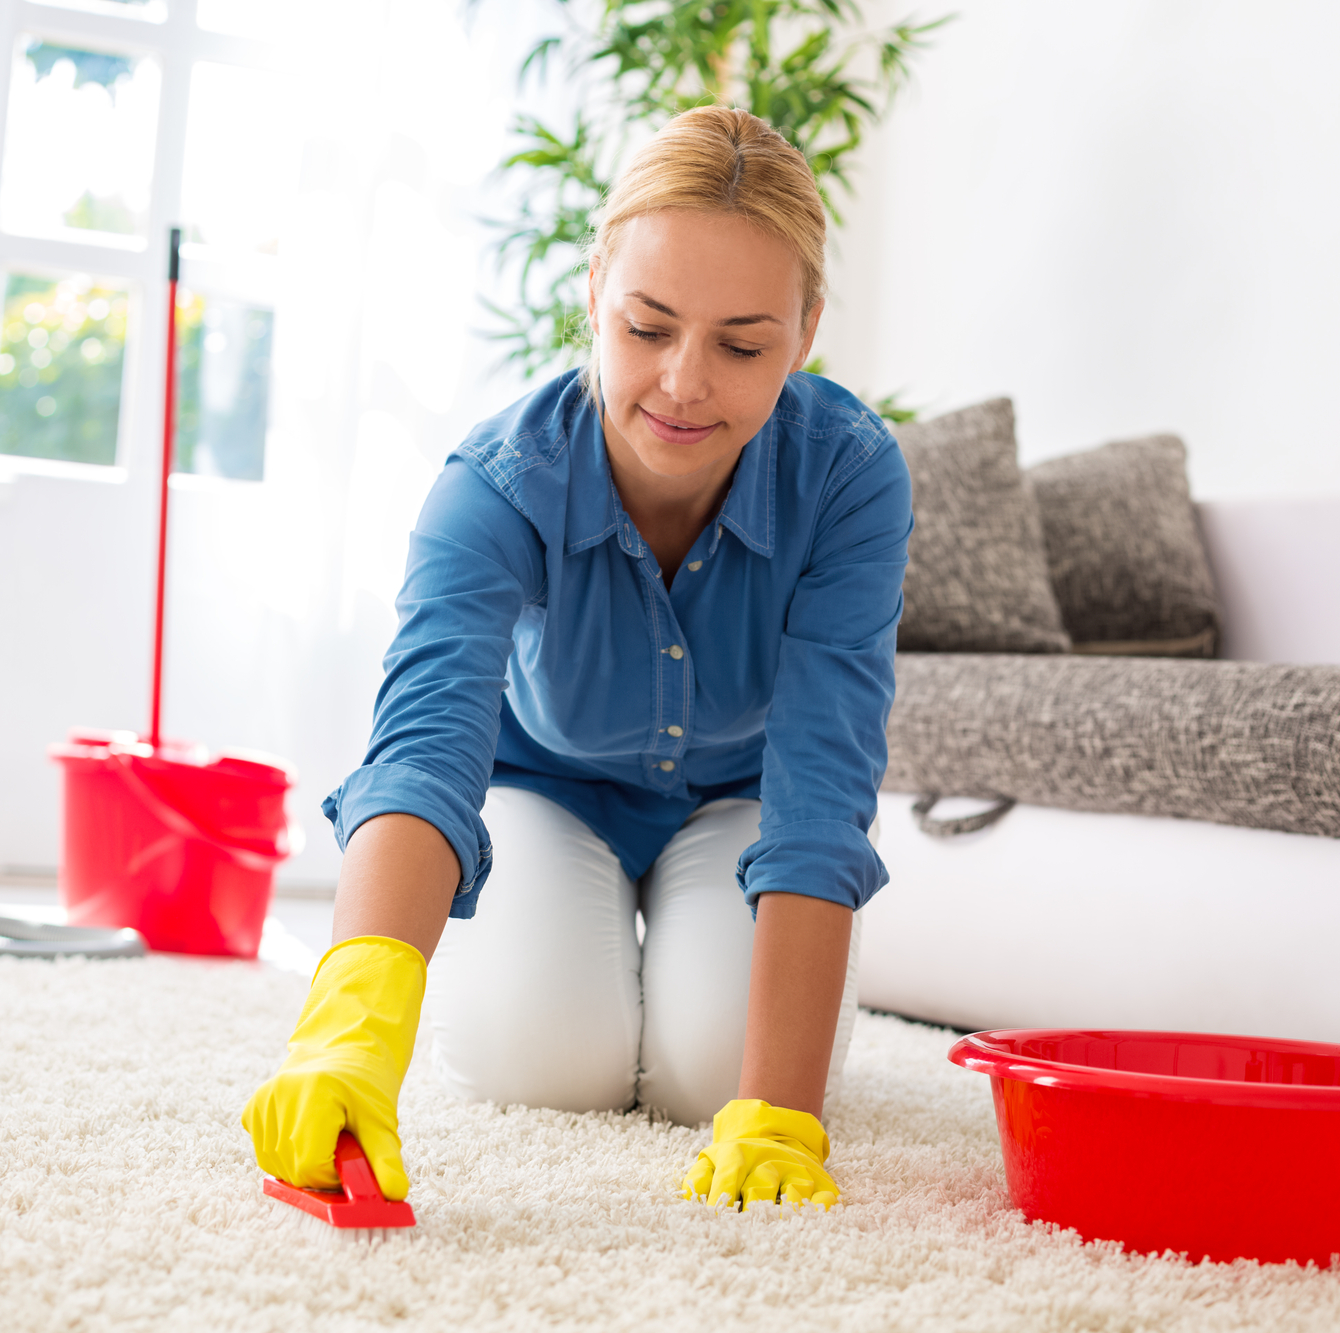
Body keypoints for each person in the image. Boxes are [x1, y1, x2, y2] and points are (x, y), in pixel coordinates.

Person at [243, 105, 911, 1211]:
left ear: (805, 329)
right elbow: (425, 748)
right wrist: (346, 1026)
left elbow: (824, 779)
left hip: (740, 805)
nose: (684, 383)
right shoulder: (495, 481)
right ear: (595, 290)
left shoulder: (849, 477)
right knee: (547, 1069)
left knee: (713, 1082)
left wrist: (780, 1111)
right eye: (648, 327)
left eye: (742, 344)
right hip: (543, 791)